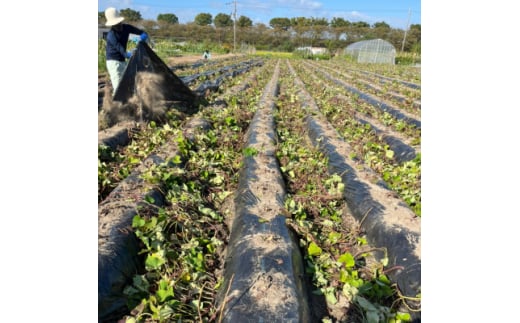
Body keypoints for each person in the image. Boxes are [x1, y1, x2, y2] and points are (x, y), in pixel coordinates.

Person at [104, 7, 148, 94]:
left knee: (126, 81)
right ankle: (117, 106)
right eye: (115, 24)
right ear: (112, 25)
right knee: (118, 85)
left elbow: (141, 32)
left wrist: (143, 35)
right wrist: (129, 54)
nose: (118, 25)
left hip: (122, 61)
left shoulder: (126, 28)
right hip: (113, 61)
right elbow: (122, 51)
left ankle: (128, 101)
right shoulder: (111, 35)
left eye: (118, 23)